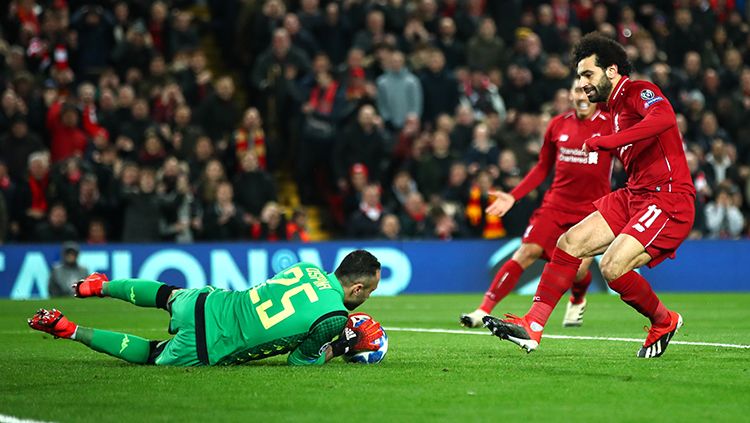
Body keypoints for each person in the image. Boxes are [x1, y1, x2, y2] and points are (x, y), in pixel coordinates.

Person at [484, 34, 695, 359]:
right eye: (579, 77)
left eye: (587, 74)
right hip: (635, 194)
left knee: (612, 267)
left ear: (612, 70)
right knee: (569, 243)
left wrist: (612, 141)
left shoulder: (640, 91)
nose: (582, 84)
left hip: (667, 197)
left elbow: (664, 119)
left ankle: (664, 321)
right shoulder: (611, 111)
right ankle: (533, 326)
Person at [28, 250, 384, 367]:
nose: (366, 297)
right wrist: (342, 345)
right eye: (368, 291)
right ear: (356, 287)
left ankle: (98, 286)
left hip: (210, 300)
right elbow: (299, 361)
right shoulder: (335, 317)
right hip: (214, 342)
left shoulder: (306, 267)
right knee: (152, 354)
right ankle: (69, 329)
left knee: (165, 294)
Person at [460, 80, 613, 328]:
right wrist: (513, 195)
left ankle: (577, 297)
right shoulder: (558, 125)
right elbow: (543, 167)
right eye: (577, 90)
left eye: (587, 90)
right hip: (555, 205)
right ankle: (482, 310)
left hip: (590, 210)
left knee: (577, 270)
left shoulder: (611, 125)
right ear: (569, 96)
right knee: (525, 252)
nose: (582, 95)